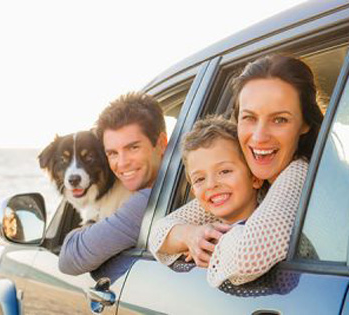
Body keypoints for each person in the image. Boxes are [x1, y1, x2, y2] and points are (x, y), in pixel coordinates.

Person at [150, 54, 323, 287]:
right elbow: (158, 232)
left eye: (280, 120)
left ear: (305, 123)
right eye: (249, 117)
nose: (260, 137)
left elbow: (246, 257)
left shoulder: (298, 173)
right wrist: (192, 235)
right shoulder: (247, 184)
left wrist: (212, 242)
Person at [58, 92, 167, 278]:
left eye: (133, 148)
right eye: (112, 153)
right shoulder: (169, 187)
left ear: (161, 143)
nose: (122, 163)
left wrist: (92, 225)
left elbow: (69, 259)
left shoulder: (149, 202)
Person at [151, 115, 263, 266]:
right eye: (200, 179)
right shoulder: (206, 222)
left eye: (224, 171)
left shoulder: (271, 220)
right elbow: (157, 234)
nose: (211, 185)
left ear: (255, 177)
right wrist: (191, 237)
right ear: (194, 193)